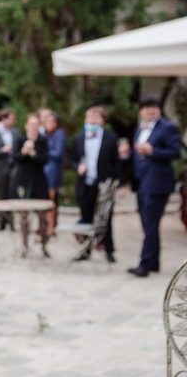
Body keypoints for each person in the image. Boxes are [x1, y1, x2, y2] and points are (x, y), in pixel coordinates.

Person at [128, 96, 182, 277]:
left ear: (159, 110)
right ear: (140, 111)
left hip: (158, 184)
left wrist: (153, 151)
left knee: (150, 223)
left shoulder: (168, 127)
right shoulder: (140, 127)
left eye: (153, 107)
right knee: (148, 224)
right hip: (142, 182)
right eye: (146, 108)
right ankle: (154, 262)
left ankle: (144, 264)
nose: (150, 111)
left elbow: (175, 152)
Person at [71, 106, 120, 263]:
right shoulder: (78, 138)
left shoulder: (111, 139)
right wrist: (78, 167)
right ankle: (85, 249)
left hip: (104, 184)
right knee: (85, 217)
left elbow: (116, 163)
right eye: (88, 118)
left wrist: (117, 183)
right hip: (85, 183)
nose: (91, 120)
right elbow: (72, 159)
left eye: (95, 117)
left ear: (102, 120)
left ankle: (108, 249)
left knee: (105, 218)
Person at [11, 115, 49, 200]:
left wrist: (33, 153)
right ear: (26, 125)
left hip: (38, 177)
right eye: (31, 124)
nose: (33, 127)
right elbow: (14, 158)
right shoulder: (20, 139)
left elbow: (45, 159)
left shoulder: (42, 140)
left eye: (36, 124)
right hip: (22, 176)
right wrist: (23, 152)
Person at [43, 111, 65, 236]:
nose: (48, 124)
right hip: (46, 171)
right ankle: (47, 224)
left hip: (53, 172)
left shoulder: (59, 135)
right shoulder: (47, 135)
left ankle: (51, 226)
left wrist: (45, 152)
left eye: (51, 122)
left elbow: (58, 153)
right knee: (46, 199)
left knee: (51, 199)